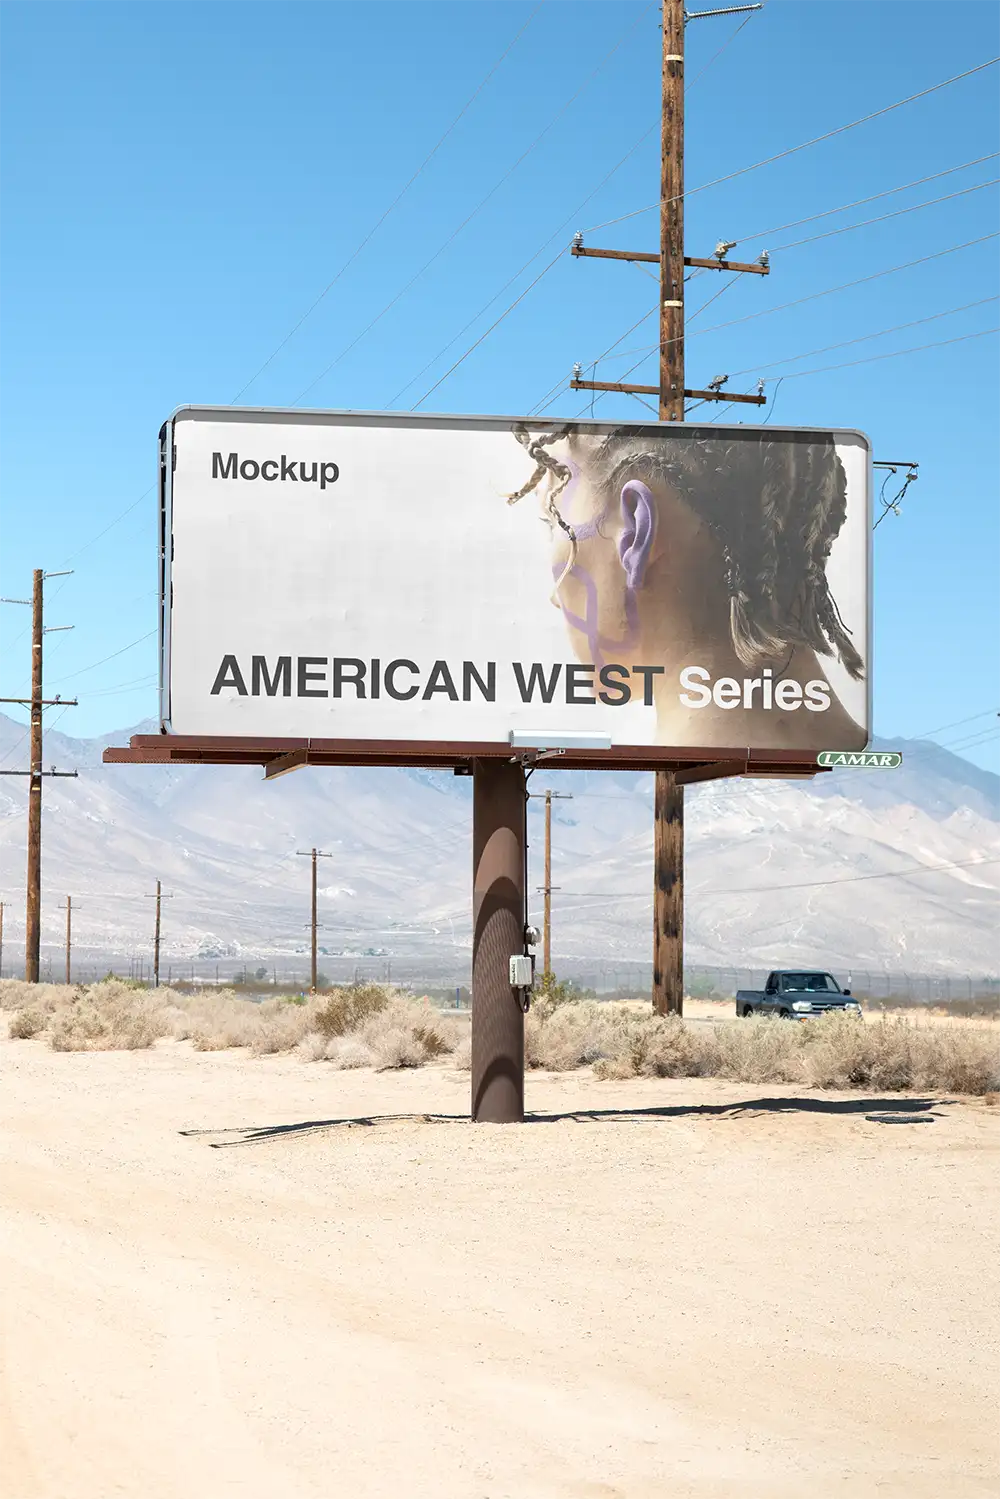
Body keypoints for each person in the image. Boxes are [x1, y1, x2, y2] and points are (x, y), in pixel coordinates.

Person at [506, 422, 866, 749]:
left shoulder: (662, 782)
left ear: (635, 533)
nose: (554, 598)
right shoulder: (869, 766)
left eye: (554, 523)